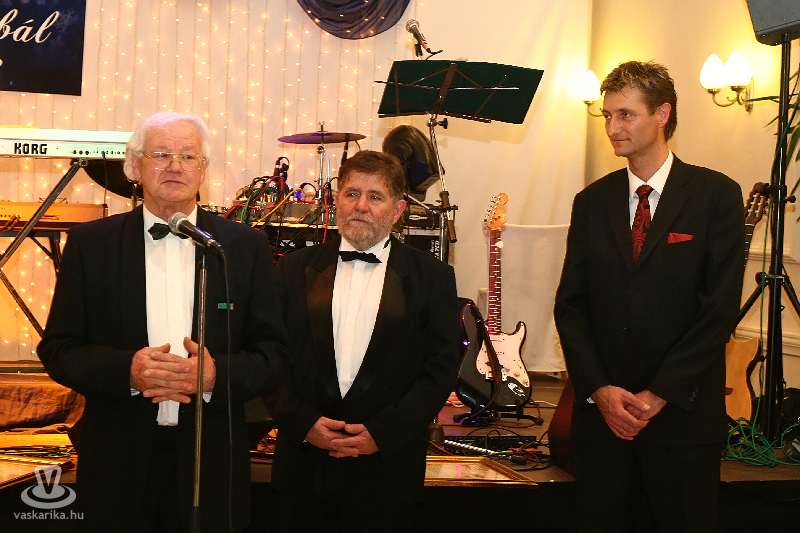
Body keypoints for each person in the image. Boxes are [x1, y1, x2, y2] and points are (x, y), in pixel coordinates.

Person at [37, 112, 289, 532]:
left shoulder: (242, 247)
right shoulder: (90, 244)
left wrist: (215, 375)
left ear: (203, 170)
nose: (175, 166)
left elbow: (273, 354)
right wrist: (128, 370)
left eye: (188, 156)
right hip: (117, 459)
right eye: (161, 155)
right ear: (134, 167)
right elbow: (59, 350)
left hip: (211, 460)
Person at [554, 61, 745, 532]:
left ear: (662, 114)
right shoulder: (591, 201)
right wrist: (600, 390)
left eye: (626, 115)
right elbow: (571, 305)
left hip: (682, 420)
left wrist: (658, 394)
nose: (612, 128)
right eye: (607, 116)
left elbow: (718, 309)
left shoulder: (715, 195)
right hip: (604, 423)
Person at [266, 150, 459, 532]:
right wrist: (303, 423)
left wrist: (382, 434)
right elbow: (271, 355)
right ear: (336, 200)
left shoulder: (433, 277)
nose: (361, 206)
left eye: (375, 196)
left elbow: (440, 370)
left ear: (398, 209)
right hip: (303, 469)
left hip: (386, 473)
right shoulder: (292, 269)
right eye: (352, 194)